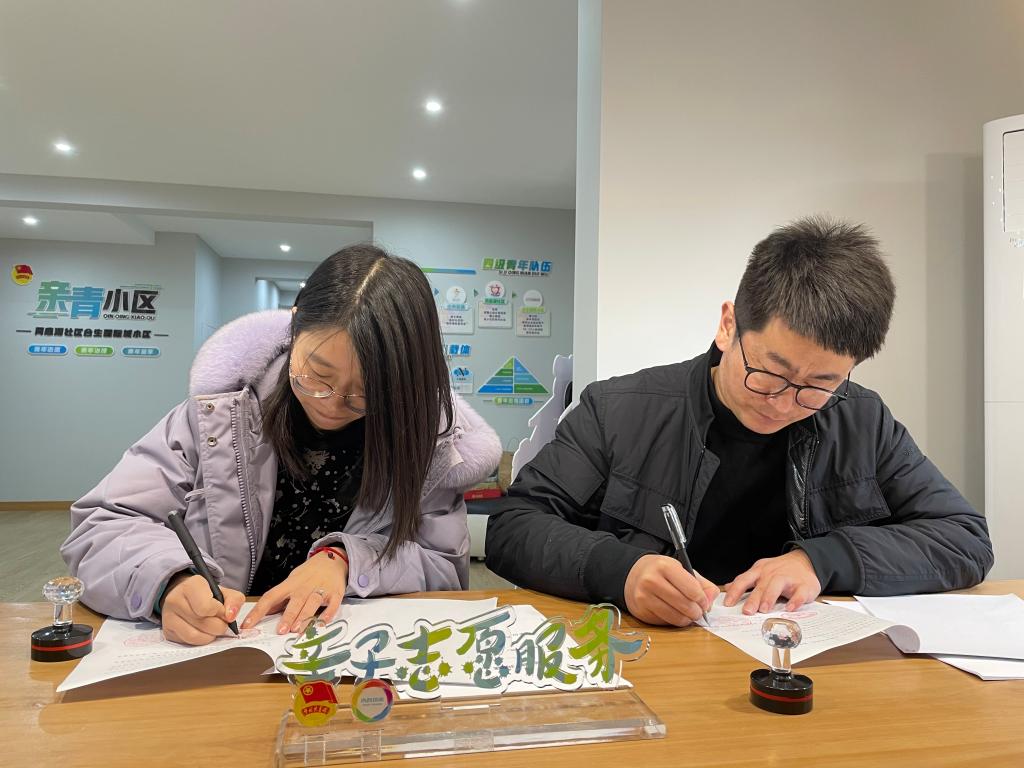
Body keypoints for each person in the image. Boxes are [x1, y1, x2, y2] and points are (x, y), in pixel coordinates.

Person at [485, 216, 993, 626]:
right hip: (655, 659)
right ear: (729, 326)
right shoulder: (619, 409)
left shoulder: (861, 419)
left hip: (800, 660)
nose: (784, 404)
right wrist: (621, 571)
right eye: (770, 373)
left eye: (819, 385)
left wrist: (821, 560)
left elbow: (964, 539)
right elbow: (513, 527)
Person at [62, 244, 501, 645]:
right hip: (223, 651)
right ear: (294, 325)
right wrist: (169, 581)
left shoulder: (426, 446)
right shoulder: (219, 415)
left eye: (366, 393)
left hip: (348, 657)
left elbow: (444, 569)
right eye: (317, 375)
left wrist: (345, 561)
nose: (332, 404)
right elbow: (102, 525)